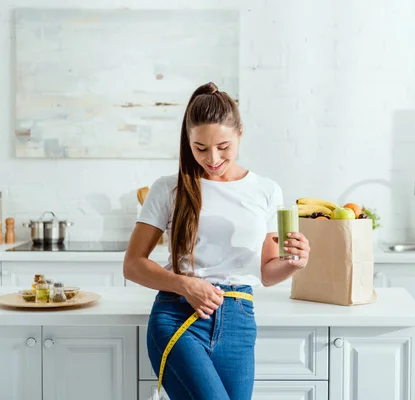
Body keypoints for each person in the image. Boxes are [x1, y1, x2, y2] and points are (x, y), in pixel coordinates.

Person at [123, 82, 311, 400]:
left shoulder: (266, 190)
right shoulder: (169, 189)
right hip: (179, 316)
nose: (212, 159)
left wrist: (295, 264)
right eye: (201, 148)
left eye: (223, 147)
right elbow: (133, 265)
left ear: (240, 134)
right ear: (188, 141)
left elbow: (266, 272)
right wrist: (185, 285)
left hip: (239, 320)